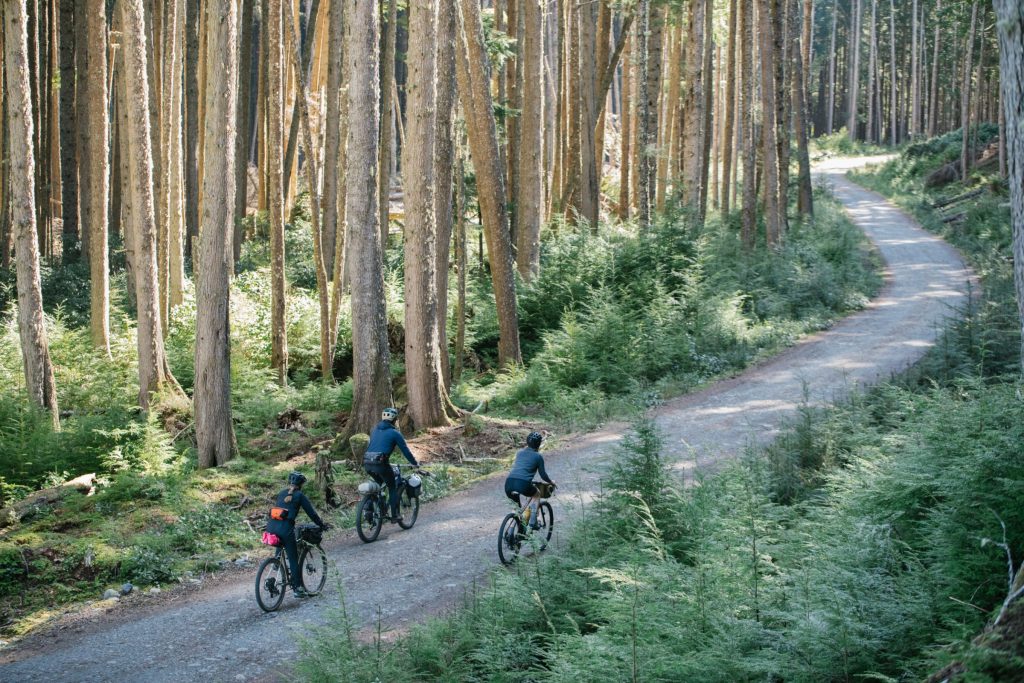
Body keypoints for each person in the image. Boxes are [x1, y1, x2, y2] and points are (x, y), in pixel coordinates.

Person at [266, 471, 327, 599]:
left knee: (281, 542)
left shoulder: (282, 493)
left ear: (290, 482)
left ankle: (276, 564)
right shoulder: (299, 495)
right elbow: (312, 513)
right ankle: (297, 589)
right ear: (301, 484)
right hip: (285, 529)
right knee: (293, 559)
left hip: (271, 528)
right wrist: (321, 525)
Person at [364, 407, 420, 523]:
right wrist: (414, 463)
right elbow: (406, 451)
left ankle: (370, 504)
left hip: (367, 463)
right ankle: (395, 515)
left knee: (379, 482)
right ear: (394, 420)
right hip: (381, 463)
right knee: (392, 486)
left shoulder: (375, 429)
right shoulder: (395, 433)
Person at [504, 431, 555, 528]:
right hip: (523, 484)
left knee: (516, 509)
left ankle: (510, 533)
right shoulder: (538, 456)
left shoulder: (519, 453)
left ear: (527, 441)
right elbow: (543, 475)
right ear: (539, 444)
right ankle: (532, 522)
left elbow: (521, 468)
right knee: (537, 494)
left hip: (509, 483)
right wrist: (551, 482)